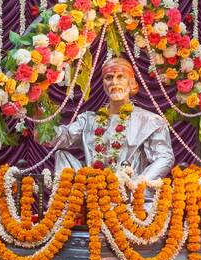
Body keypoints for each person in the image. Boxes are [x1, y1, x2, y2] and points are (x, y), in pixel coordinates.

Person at [51, 57, 174, 186]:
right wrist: (43, 126)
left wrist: (138, 183)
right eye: (109, 77)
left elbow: (165, 157)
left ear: (131, 83)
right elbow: (64, 137)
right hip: (92, 188)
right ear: (103, 84)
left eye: (121, 77)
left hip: (128, 193)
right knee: (62, 155)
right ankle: (69, 202)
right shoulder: (88, 120)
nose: (114, 82)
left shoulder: (150, 121)